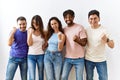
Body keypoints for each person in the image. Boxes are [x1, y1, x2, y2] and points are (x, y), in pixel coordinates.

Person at [85, 10, 114, 80]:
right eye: (91, 19)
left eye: (95, 18)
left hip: (101, 60)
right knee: (89, 78)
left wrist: (106, 39)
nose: (93, 20)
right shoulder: (86, 30)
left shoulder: (104, 30)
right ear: (88, 20)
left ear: (99, 19)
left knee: (104, 78)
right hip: (89, 59)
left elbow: (112, 45)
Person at [61, 9, 87, 80]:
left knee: (79, 78)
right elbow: (63, 44)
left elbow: (84, 43)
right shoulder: (64, 29)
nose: (68, 19)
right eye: (66, 17)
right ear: (64, 18)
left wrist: (77, 40)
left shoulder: (80, 27)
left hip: (79, 59)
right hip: (68, 58)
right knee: (63, 77)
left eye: (70, 17)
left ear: (73, 17)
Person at [27, 15, 46, 80]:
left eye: (36, 22)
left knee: (41, 75)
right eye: (33, 23)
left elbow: (47, 41)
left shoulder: (43, 32)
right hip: (31, 56)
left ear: (40, 23)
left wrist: (45, 45)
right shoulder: (30, 30)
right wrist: (30, 34)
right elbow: (29, 44)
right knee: (32, 76)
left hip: (41, 55)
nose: (35, 24)